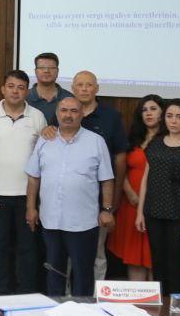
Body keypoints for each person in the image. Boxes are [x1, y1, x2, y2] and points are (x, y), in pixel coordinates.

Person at [25, 97, 115, 297]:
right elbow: (33, 177)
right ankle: (56, 311)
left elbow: (107, 179)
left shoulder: (96, 141)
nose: (68, 115)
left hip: (83, 223)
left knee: (83, 274)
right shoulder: (45, 140)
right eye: (64, 110)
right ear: (57, 114)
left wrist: (107, 209)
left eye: (74, 111)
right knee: (54, 271)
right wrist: (31, 208)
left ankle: (82, 312)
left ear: (82, 114)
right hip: (51, 220)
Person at [49, 71, 128, 282]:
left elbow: (120, 158)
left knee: (96, 253)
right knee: (64, 254)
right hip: (63, 202)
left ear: (97, 89)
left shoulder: (111, 117)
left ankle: (94, 296)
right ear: (72, 89)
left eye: (89, 85)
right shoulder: (62, 113)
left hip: (99, 199)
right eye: (80, 85)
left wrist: (113, 200)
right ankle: (65, 297)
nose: (84, 89)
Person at [0, 69, 46, 294]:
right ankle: (1, 292)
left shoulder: (37, 117)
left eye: (21, 87)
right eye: (11, 86)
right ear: (2, 89)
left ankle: (26, 293)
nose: (15, 91)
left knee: (27, 248)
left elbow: (43, 157)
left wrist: (35, 201)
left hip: (28, 196)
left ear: (27, 91)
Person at [137, 100, 180, 296]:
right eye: (169, 116)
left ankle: (173, 305)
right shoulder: (155, 143)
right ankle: (160, 305)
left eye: (179, 117)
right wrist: (140, 212)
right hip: (153, 212)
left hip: (179, 213)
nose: (173, 121)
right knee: (157, 263)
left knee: (175, 264)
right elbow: (145, 180)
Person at [109, 95, 162, 282]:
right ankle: (137, 298)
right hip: (131, 203)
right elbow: (120, 167)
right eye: (144, 110)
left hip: (157, 206)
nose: (148, 113)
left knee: (154, 258)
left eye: (153, 109)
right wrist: (130, 193)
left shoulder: (169, 139)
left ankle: (155, 300)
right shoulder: (132, 138)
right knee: (133, 257)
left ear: (162, 113)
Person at [27, 52, 73, 126]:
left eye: (51, 68)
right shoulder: (24, 97)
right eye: (42, 68)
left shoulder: (69, 98)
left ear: (57, 71)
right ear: (35, 71)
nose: (46, 71)